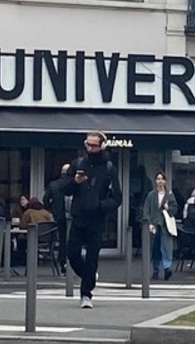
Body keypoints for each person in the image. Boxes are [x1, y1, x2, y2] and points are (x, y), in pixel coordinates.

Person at [62, 131, 122, 309]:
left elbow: (117, 198)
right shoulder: (78, 164)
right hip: (78, 217)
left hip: (96, 220)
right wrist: (75, 182)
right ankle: (89, 275)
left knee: (92, 258)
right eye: (88, 144)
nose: (90, 148)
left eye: (94, 145)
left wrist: (100, 205)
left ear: (102, 146)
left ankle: (86, 293)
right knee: (72, 254)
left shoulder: (109, 168)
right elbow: (63, 189)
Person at [141, 172, 178, 280]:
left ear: (165, 181)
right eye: (158, 179)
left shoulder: (169, 195)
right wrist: (148, 222)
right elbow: (146, 210)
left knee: (165, 247)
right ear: (155, 181)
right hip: (154, 224)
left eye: (162, 179)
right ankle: (155, 269)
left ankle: (167, 268)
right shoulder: (151, 195)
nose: (160, 181)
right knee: (155, 248)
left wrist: (168, 208)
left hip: (165, 225)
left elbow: (175, 209)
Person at [42, 163, 71, 273]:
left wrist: (53, 209)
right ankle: (71, 262)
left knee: (62, 240)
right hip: (73, 216)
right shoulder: (74, 184)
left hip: (58, 216)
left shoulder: (53, 185)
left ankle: (62, 261)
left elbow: (45, 200)